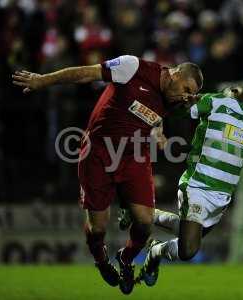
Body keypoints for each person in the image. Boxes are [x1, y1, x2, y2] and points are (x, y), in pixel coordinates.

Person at [12, 55, 203, 294]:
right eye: (186, 89)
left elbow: (155, 115)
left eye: (189, 94)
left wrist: (157, 131)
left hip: (135, 155)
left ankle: (126, 258)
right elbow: (86, 73)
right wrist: (43, 80)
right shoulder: (133, 67)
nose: (184, 96)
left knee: (144, 222)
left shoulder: (174, 98)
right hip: (98, 153)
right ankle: (101, 261)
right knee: (98, 228)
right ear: (174, 73)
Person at [135, 47, 243, 286]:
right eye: (239, 87)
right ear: (228, 92)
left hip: (222, 195)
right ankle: (150, 241)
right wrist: (164, 121)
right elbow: (180, 111)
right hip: (198, 185)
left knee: (186, 237)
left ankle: (149, 229)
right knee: (188, 250)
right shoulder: (215, 102)